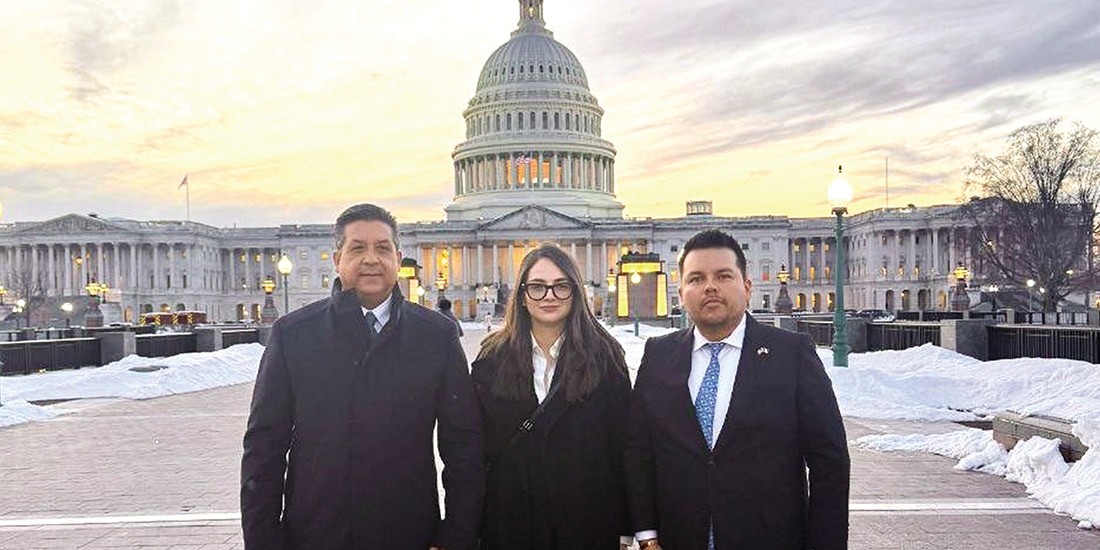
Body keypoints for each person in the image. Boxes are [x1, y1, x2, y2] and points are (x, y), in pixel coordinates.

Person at [241, 203, 485, 550]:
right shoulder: (293, 335)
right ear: (337, 259)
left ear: (398, 259)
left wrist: (456, 535)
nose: (371, 259)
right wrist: (264, 541)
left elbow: (463, 446)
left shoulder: (435, 335)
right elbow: (264, 449)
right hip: (315, 534)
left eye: (382, 248)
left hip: (408, 534)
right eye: (358, 248)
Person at [625, 229, 849, 550]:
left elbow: (830, 461)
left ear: (747, 286)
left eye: (723, 276)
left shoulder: (791, 354)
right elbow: (638, 452)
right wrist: (646, 536)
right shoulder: (659, 354)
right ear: (682, 291)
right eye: (696, 278)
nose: (710, 286)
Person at [471, 244, 633, 549]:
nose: (549, 296)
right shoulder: (491, 359)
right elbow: (476, 451)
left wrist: (625, 528)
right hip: (510, 521)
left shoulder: (605, 357)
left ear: (576, 292)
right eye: (537, 287)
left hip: (587, 520)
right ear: (521, 294)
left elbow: (624, 445)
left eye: (561, 287)